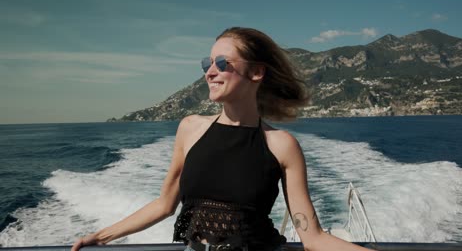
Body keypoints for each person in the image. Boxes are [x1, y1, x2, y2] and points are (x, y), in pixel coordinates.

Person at [72, 27, 375, 251]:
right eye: (208, 64)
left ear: (256, 72)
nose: (210, 73)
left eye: (222, 64)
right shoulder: (190, 129)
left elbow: (312, 236)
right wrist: (100, 236)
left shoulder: (281, 145)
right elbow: (165, 204)